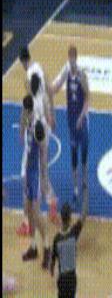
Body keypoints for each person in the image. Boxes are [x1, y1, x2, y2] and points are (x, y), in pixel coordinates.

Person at [19, 47, 58, 229]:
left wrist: (22, 131)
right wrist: (52, 115)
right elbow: (49, 90)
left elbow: (26, 113)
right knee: (43, 170)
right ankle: (51, 202)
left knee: (27, 173)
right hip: (45, 129)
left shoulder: (29, 79)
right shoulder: (40, 69)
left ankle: (27, 220)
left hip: (35, 133)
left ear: (22, 61)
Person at [50, 46, 90, 206]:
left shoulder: (81, 75)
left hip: (82, 119)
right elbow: (56, 86)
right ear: (68, 57)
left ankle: (84, 181)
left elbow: (88, 97)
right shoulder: (66, 71)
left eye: (73, 57)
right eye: (69, 57)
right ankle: (75, 188)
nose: (71, 60)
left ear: (76, 58)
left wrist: (82, 116)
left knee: (84, 154)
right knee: (73, 154)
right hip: (71, 119)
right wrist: (47, 90)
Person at [21, 109, 51, 270]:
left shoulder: (38, 128)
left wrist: (45, 183)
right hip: (29, 174)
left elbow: (43, 155)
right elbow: (27, 152)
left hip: (36, 177)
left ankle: (47, 247)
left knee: (36, 213)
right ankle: (33, 247)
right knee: (28, 210)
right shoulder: (29, 125)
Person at [50, 202, 87, 298]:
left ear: (60, 217)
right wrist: (86, 195)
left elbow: (52, 262)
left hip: (62, 279)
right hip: (71, 279)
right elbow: (84, 214)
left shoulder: (56, 239)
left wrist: (52, 270)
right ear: (70, 218)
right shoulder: (73, 233)